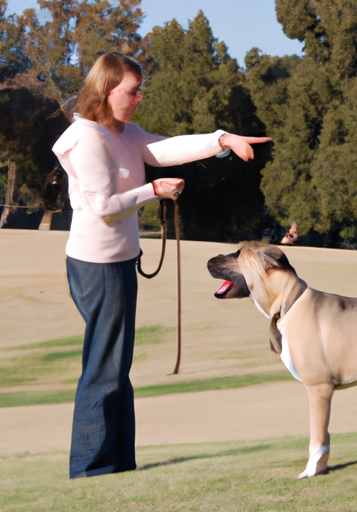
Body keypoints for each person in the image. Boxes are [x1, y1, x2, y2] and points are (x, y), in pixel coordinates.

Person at [52, 52, 271, 479]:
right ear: (106, 89)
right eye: (132, 91)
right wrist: (152, 189)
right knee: (104, 365)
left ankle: (116, 464)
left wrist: (222, 138)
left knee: (116, 364)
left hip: (117, 263)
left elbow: (165, 147)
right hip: (96, 266)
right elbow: (103, 208)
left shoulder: (123, 133)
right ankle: (92, 470)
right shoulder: (87, 138)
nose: (138, 98)